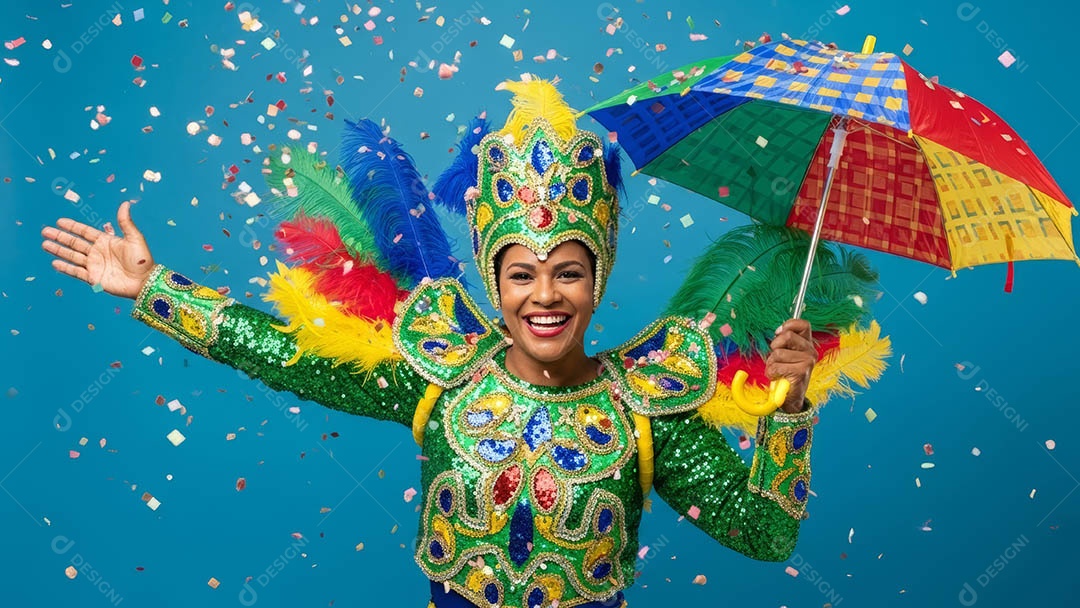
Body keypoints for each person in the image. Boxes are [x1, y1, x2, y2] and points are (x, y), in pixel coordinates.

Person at [41, 78, 884, 608]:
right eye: (521, 275)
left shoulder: (647, 409)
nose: (545, 296)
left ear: (600, 281)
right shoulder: (439, 376)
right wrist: (153, 288)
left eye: (568, 273)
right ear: (491, 280)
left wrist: (792, 407)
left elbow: (767, 537)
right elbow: (283, 353)